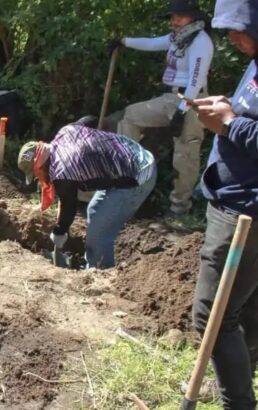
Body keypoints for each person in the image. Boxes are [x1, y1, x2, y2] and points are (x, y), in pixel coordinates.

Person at [188, 0, 258, 407]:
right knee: (245, 308)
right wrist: (223, 111)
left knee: (211, 317)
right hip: (235, 200)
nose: (231, 38)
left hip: (244, 213)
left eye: (239, 27)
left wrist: (230, 123)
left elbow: (243, 124)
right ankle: (241, 387)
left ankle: (237, 403)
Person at [109, 0, 213, 217]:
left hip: (193, 101)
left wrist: (183, 110)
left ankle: (179, 208)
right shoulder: (178, 38)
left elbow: (196, 79)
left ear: (193, 17)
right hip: (170, 97)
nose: (173, 20)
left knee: (185, 155)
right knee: (130, 116)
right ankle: (128, 176)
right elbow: (152, 43)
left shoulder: (201, 41)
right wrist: (123, 41)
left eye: (179, 16)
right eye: (172, 16)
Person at [17, 117, 157, 269]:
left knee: (98, 233)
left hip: (139, 176)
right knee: (93, 210)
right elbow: (91, 119)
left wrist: (59, 232)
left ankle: (99, 273)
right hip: (135, 155)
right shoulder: (66, 132)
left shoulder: (62, 173)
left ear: (39, 166)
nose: (38, 178)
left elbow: (69, 208)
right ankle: (92, 261)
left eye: (35, 174)